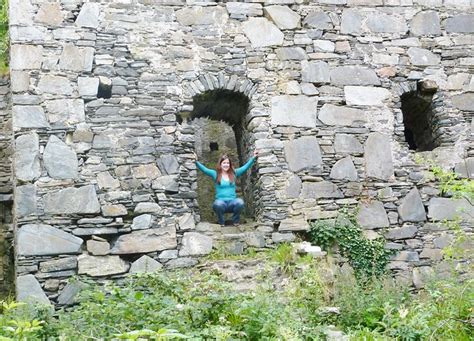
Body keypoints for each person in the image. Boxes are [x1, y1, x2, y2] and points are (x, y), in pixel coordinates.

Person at [194, 151, 258, 226]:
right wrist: (195, 161)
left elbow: (245, 167)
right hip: (221, 204)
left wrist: (253, 158)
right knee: (218, 204)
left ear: (230, 165)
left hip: (232, 203)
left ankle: (235, 221)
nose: (226, 165)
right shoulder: (215, 174)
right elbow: (204, 169)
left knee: (240, 202)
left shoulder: (234, 173)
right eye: (224, 163)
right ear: (220, 164)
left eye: (228, 163)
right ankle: (221, 221)